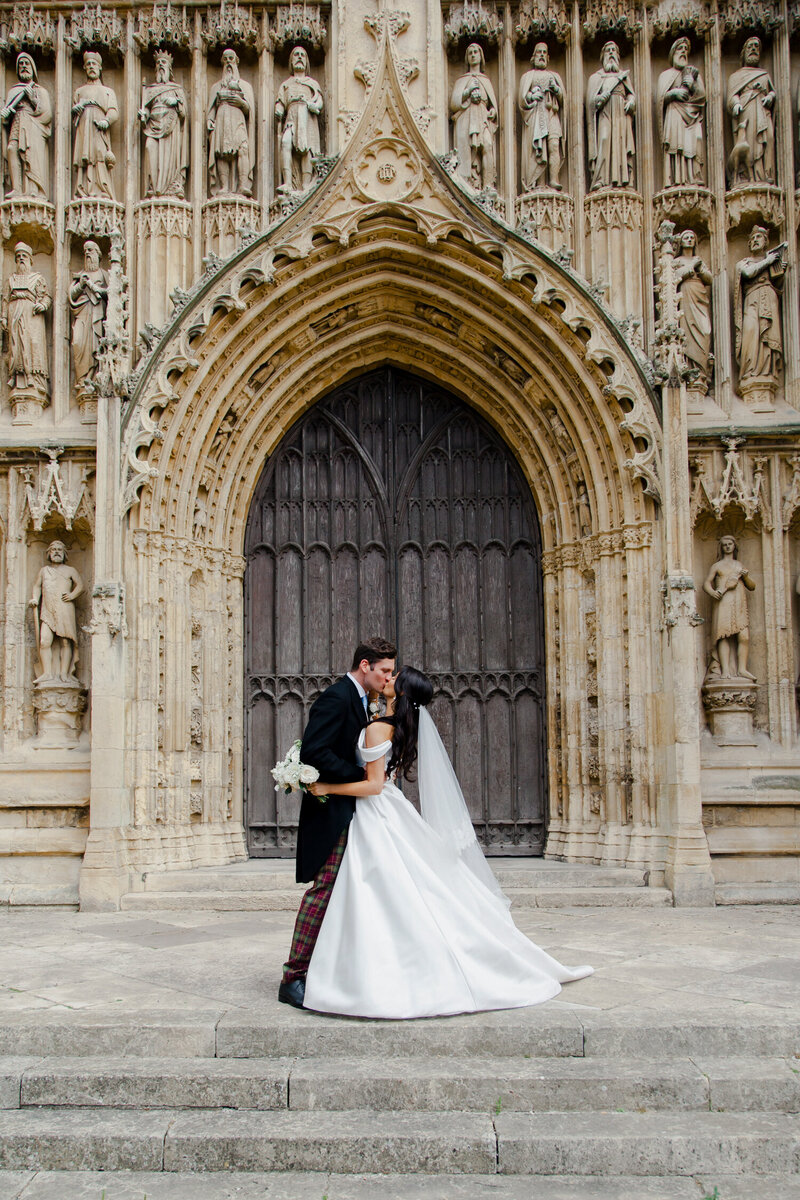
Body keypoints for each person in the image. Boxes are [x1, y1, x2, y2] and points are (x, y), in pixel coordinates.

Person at [301, 666, 592, 1019]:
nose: (387, 679)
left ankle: (374, 971)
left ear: (402, 692)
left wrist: (327, 786)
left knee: (380, 887)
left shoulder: (379, 727)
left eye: (394, 677)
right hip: (388, 809)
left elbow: (374, 785)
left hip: (375, 811)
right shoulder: (398, 726)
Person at [278, 636, 397, 1009]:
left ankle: (326, 969)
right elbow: (315, 752)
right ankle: (293, 977)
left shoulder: (362, 700)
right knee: (323, 891)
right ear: (365, 666)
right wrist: (360, 776)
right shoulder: (337, 697)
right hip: (332, 813)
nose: (388, 678)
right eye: (384, 671)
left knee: (347, 892)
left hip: (351, 810)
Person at [734, 225, 786, 394]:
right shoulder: (743, 263)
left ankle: (767, 373)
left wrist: (780, 273)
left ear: (766, 242)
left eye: (759, 237)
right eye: (753, 238)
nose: (755, 240)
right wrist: (768, 261)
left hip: (769, 299)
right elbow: (748, 273)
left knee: (768, 336)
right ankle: (749, 373)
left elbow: (778, 286)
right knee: (751, 332)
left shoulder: (770, 261)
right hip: (751, 301)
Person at [1, 241, 51, 402]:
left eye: (24, 256)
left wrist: (42, 305)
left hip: (31, 316)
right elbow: (5, 299)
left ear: (30, 260)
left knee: (32, 345)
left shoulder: (37, 279)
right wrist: (3, 317)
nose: (21, 259)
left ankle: (34, 380)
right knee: (16, 347)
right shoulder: (11, 280)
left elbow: (46, 297)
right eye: (18, 257)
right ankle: (17, 379)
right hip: (14, 314)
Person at [703, 535, 756, 681]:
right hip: (724, 602)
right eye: (725, 544)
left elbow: (752, 586)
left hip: (739, 602)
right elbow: (706, 583)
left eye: (730, 544)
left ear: (734, 546)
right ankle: (725, 669)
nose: (727, 546)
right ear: (721, 547)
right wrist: (713, 592)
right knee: (723, 635)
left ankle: (742, 669)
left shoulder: (739, 565)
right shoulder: (717, 566)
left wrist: (746, 577)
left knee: (744, 636)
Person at [29, 541, 84, 682]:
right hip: (47, 609)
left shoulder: (70, 570)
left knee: (65, 642)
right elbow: (37, 586)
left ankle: (64, 674)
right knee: (44, 641)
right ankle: (47, 673)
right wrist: (35, 598)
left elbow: (80, 586)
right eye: (53, 549)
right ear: (49, 553)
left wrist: (72, 595)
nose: (57, 552)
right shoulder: (44, 571)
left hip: (65, 608)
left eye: (60, 549)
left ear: (64, 553)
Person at [586, 40, 635, 190]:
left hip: (621, 116)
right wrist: (599, 98)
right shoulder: (596, 78)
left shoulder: (623, 76)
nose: (611, 53)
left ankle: (622, 179)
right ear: (603, 57)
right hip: (605, 114)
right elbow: (590, 102)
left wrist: (631, 101)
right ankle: (601, 179)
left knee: (620, 144)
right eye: (608, 51)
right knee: (604, 139)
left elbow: (631, 94)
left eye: (614, 50)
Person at [139, 50, 189, 198]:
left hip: (171, 127)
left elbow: (184, 114)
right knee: (149, 147)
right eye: (158, 63)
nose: (161, 65)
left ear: (169, 68)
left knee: (169, 156)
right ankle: (153, 187)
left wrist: (176, 102)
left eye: (164, 63)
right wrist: (144, 116)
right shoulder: (150, 90)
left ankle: (172, 186)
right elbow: (147, 110)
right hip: (153, 126)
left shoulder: (176, 89)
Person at [726, 37, 775, 186]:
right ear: (744, 52)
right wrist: (736, 104)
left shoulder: (764, 74)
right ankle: (746, 176)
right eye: (750, 46)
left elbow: (772, 92)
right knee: (747, 144)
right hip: (746, 112)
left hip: (762, 111)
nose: (753, 49)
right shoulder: (736, 76)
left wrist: (770, 97)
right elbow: (732, 96)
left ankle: (765, 175)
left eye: (756, 47)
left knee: (769, 138)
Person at [2, 52, 51, 198]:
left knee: (29, 153)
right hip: (17, 121)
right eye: (21, 64)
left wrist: (32, 99)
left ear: (33, 68)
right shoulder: (13, 91)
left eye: (27, 63)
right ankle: (16, 188)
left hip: (32, 125)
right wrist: (5, 116)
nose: (24, 66)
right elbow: (6, 116)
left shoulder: (40, 90)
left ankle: (33, 189)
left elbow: (47, 113)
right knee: (12, 149)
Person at [657, 37, 705, 187]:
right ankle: (675, 179)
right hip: (675, 113)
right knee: (676, 146)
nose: (683, 51)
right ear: (673, 53)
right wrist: (673, 93)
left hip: (692, 116)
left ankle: (693, 177)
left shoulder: (694, 75)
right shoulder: (665, 75)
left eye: (686, 49)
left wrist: (692, 85)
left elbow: (702, 97)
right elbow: (660, 99)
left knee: (695, 141)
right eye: (680, 49)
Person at [275, 45, 323, 194]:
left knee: (306, 148)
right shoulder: (286, 84)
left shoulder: (312, 83)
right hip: (291, 117)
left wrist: (313, 106)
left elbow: (319, 101)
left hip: (307, 118)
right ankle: (288, 183)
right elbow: (281, 102)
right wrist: (279, 109)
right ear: (291, 61)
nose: (300, 57)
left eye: (303, 55)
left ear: (307, 61)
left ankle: (306, 184)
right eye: (296, 54)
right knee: (285, 142)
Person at [450, 42, 498, 192]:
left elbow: (492, 104)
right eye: (470, 53)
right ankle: (470, 183)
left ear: (481, 56)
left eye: (476, 52)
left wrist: (493, 111)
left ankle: (488, 185)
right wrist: (468, 91)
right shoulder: (462, 80)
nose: (473, 55)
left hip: (483, 116)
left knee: (487, 145)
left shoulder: (486, 80)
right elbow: (454, 103)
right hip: (468, 117)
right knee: (470, 149)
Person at [207, 48, 254, 197]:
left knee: (243, 149)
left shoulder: (245, 86)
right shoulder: (216, 87)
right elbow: (211, 108)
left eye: (231, 58)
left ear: (236, 61)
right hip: (222, 119)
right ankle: (224, 186)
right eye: (225, 59)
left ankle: (243, 184)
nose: (228, 62)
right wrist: (210, 120)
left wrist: (241, 103)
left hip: (238, 119)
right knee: (221, 152)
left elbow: (249, 109)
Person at [72, 51, 118, 200]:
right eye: (88, 64)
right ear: (84, 68)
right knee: (84, 155)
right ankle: (83, 188)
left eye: (94, 64)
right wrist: (76, 108)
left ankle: (101, 188)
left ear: (100, 67)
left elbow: (113, 111)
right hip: (84, 127)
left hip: (98, 127)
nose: (91, 67)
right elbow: (74, 111)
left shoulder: (108, 91)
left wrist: (106, 121)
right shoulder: (79, 91)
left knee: (99, 153)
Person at [518, 42, 564, 192]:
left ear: (548, 57)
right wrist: (532, 96)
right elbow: (522, 99)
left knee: (554, 145)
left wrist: (556, 89)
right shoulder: (528, 76)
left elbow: (563, 99)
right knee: (538, 148)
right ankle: (538, 182)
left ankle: (554, 180)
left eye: (544, 52)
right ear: (533, 57)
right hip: (536, 114)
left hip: (552, 112)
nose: (542, 55)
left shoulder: (554, 76)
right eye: (539, 52)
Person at [69, 240, 108, 393]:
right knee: (78, 342)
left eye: (90, 250)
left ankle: (94, 378)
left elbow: (112, 292)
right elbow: (71, 294)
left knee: (96, 345)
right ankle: (81, 380)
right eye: (85, 251)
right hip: (83, 312)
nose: (87, 254)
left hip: (97, 313)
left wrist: (97, 289)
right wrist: (81, 284)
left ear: (98, 254)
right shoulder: (80, 275)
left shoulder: (104, 274)